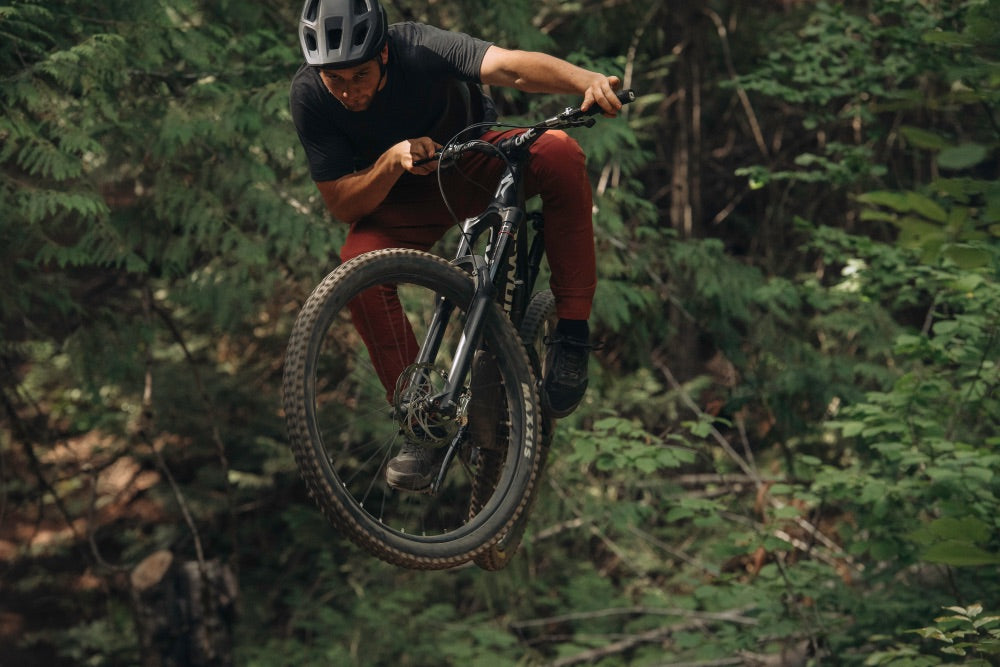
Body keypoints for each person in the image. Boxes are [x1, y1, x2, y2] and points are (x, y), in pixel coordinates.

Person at [290, 0, 622, 491]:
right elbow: (341, 203)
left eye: (359, 75)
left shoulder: (417, 46)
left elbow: (508, 67)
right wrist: (391, 162)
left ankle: (571, 333)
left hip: (474, 161)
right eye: (334, 79)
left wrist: (585, 80)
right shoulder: (310, 97)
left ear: (383, 54)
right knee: (356, 268)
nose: (347, 90)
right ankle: (421, 421)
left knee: (559, 153)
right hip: (399, 197)